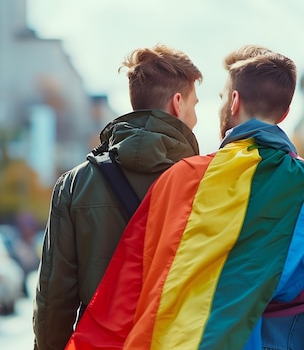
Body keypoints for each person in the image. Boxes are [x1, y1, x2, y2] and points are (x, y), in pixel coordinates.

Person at [65, 45, 304, 350]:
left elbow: (142, 291)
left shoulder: (183, 182)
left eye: (219, 98)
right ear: (286, 112)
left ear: (233, 102)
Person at [32, 44, 203, 350]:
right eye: (194, 105)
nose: (196, 119)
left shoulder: (74, 185)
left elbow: (54, 299)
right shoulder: (203, 184)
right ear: (178, 103)